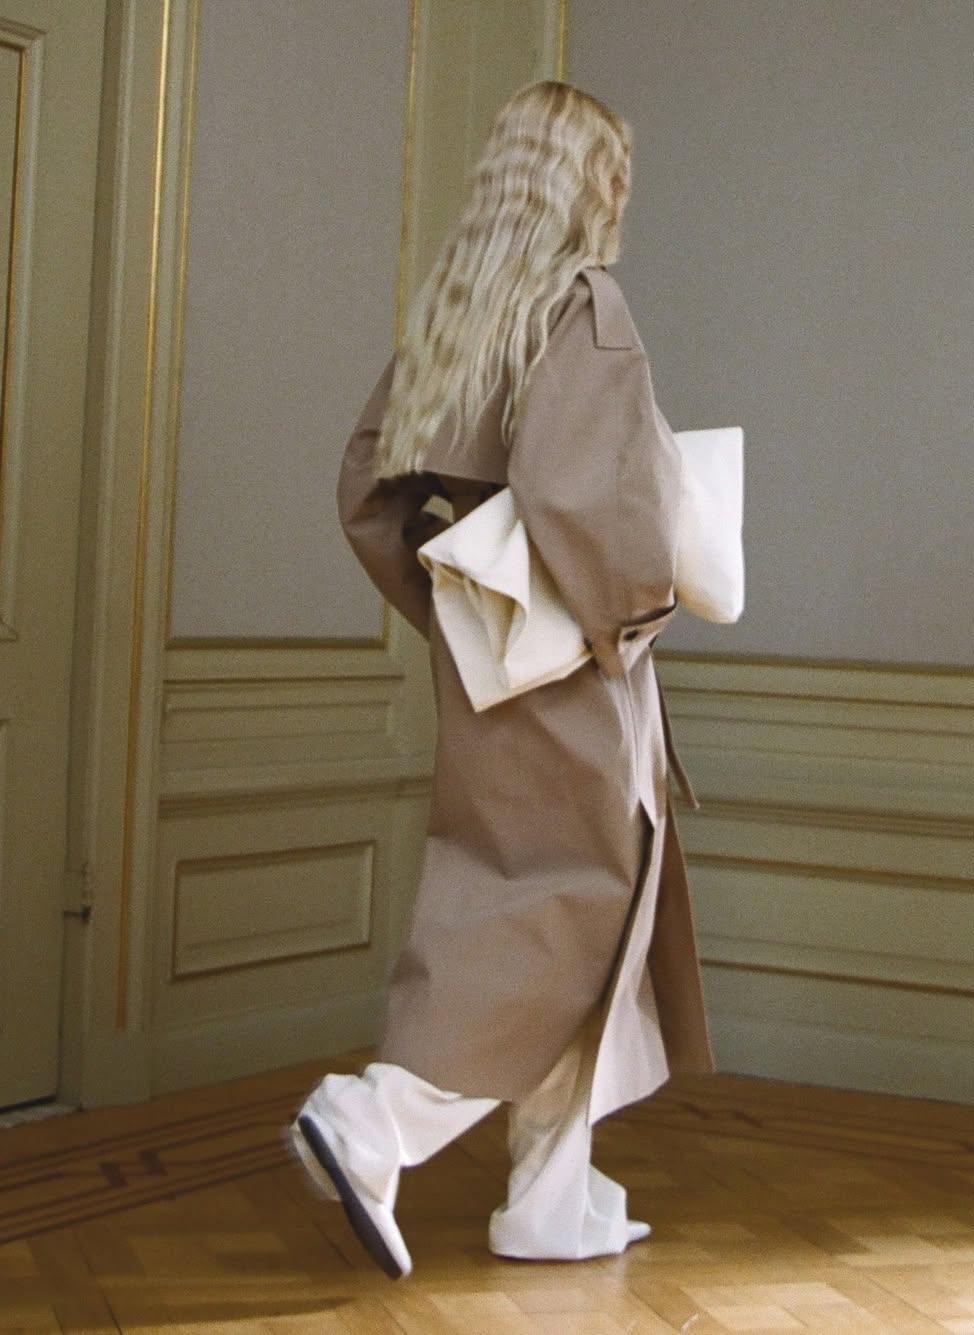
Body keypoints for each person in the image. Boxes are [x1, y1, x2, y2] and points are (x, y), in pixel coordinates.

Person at [290, 79, 712, 1279]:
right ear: (595, 184)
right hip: (575, 677)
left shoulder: (460, 311)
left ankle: (550, 1196)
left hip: (490, 673)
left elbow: (367, 488)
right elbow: (582, 498)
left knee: (534, 908)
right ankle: (373, 1120)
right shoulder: (583, 307)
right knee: (566, 921)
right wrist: (634, 614)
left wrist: (449, 613)